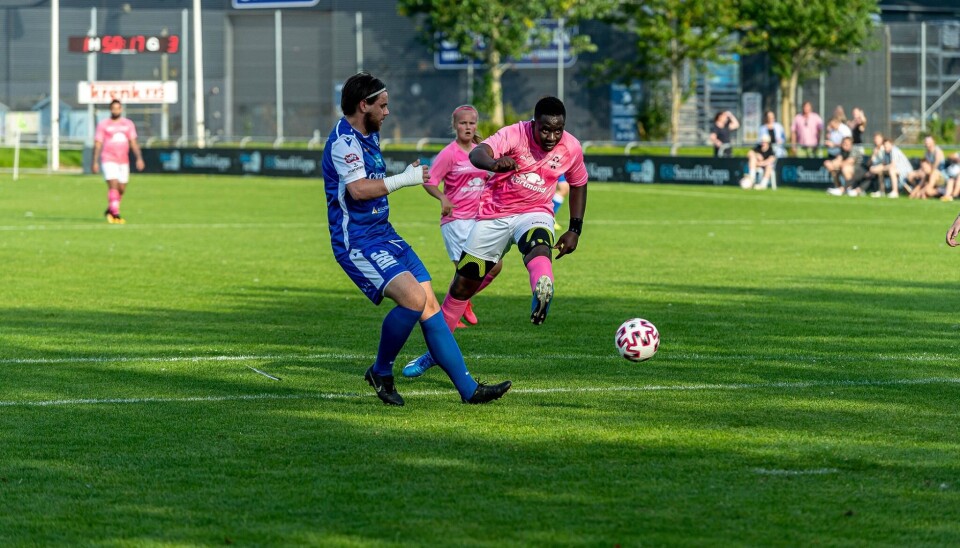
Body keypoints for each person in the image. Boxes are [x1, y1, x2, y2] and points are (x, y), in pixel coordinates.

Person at [321, 71, 510, 406]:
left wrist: (403, 176)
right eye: (383, 105)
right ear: (364, 105)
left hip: (384, 234)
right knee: (412, 298)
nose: (388, 112)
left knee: (431, 305)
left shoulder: (368, 134)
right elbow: (358, 190)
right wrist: (404, 179)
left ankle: (469, 390)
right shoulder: (344, 142)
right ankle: (381, 371)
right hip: (358, 242)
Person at [403, 97, 589, 377]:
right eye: (545, 129)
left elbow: (579, 184)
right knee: (462, 286)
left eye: (558, 130)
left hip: (534, 210)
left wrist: (575, 229)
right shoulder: (515, 133)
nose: (551, 137)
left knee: (538, 242)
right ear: (533, 123)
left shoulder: (571, 147)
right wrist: (493, 163)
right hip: (494, 215)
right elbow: (478, 153)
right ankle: (434, 354)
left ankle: (542, 284)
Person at [420, 105, 503, 327]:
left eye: (472, 123)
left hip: (479, 220)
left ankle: (462, 300)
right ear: (455, 125)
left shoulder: (481, 151)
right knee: (466, 271)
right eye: (463, 123)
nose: (468, 127)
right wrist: (443, 198)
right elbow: (429, 181)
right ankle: (450, 314)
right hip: (456, 221)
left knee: (495, 266)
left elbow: (492, 178)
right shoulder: (449, 154)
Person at [92, 99, 145, 224]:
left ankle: (111, 207)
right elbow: (98, 143)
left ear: (121, 109)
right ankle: (115, 214)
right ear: (110, 110)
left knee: (122, 188)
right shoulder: (104, 125)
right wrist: (95, 161)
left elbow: (133, 142)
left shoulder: (128, 124)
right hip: (108, 159)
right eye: (113, 108)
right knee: (113, 184)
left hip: (123, 160)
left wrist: (139, 158)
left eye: (118, 108)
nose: (116, 110)